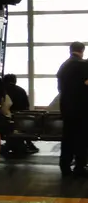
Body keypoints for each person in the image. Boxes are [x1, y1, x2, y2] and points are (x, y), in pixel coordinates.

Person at [56, 41, 88, 177]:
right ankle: (80, 167)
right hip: (82, 108)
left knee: (68, 137)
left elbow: (59, 88)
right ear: (83, 50)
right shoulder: (84, 65)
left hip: (66, 108)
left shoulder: (63, 66)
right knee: (82, 138)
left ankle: (65, 165)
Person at [3, 74, 38, 154]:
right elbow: (26, 105)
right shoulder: (21, 90)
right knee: (24, 125)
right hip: (21, 118)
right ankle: (29, 144)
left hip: (8, 119)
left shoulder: (3, 91)